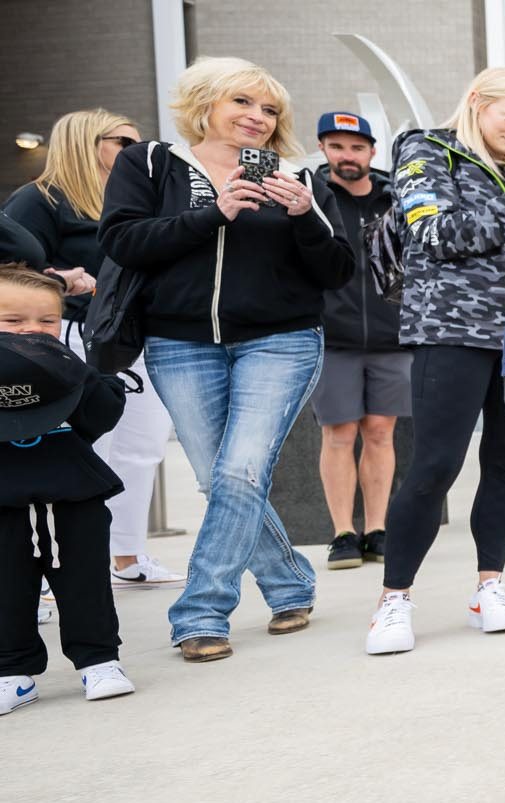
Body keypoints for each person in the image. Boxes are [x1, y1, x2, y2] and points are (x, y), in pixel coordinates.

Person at [99, 56, 353, 662]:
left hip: (282, 340)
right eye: (243, 102)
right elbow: (123, 239)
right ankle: (290, 582)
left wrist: (302, 216)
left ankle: (201, 610)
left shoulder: (297, 177)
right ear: (205, 103)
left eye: (269, 110)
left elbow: (338, 269)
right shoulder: (152, 162)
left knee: (239, 472)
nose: (258, 118)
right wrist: (213, 212)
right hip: (179, 342)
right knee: (220, 479)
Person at [365, 67, 505, 656]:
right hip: (451, 329)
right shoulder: (428, 148)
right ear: (477, 104)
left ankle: (490, 586)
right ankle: (394, 598)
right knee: (435, 466)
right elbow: (431, 231)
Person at [11, 109, 180, 585]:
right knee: (81, 449)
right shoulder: (40, 200)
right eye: (123, 141)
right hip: (71, 339)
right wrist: (63, 282)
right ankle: (46, 571)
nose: (135, 150)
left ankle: (127, 555)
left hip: (136, 337)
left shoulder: (130, 202)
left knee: (143, 447)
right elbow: (11, 273)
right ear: (87, 142)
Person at [0, 268, 133, 714]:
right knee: (6, 586)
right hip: (4, 500)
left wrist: (76, 374)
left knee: (85, 582)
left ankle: (99, 661)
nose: (32, 331)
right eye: (13, 321)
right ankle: (12, 672)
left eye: (46, 321)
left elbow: (99, 418)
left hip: (73, 496)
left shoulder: (70, 367)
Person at [309, 111, 408, 569]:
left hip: (391, 335)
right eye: (336, 147)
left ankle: (377, 528)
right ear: (324, 150)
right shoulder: (312, 199)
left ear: (371, 151)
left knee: (381, 431)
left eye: (356, 147)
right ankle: (342, 534)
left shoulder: (397, 197)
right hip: (335, 337)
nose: (347, 156)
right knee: (339, 433)